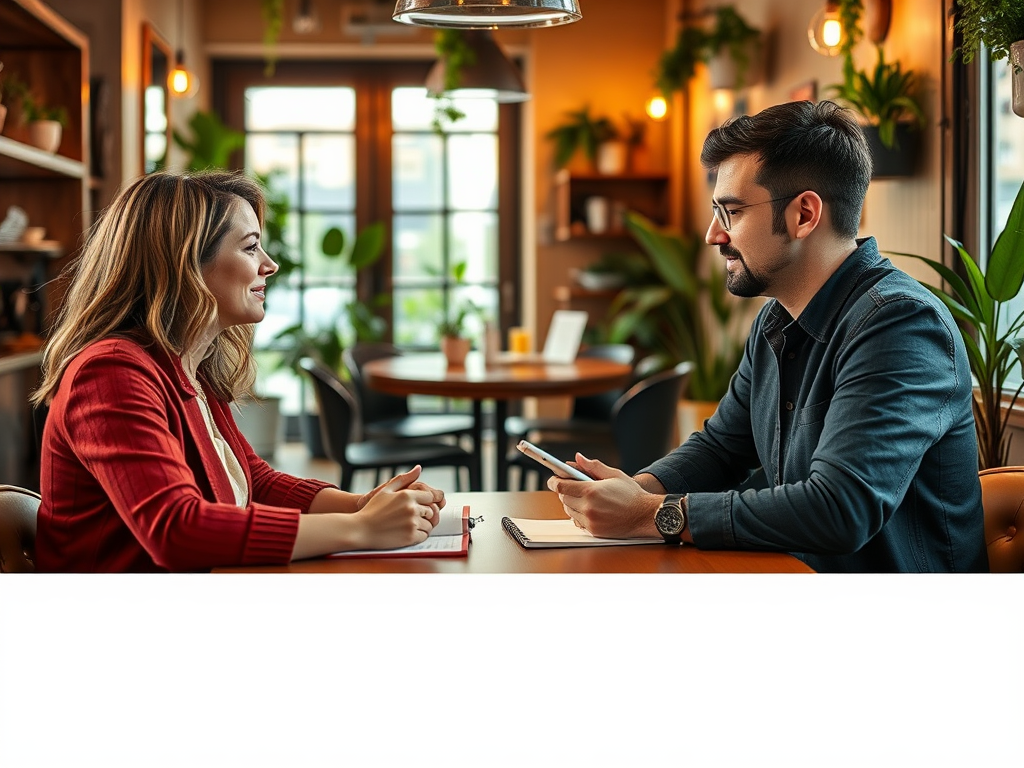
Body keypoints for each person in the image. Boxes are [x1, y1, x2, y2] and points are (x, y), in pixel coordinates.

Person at [549, 100, 987, 573]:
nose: (714, 236)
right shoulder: (777, 319)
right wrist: (640, 490)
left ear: (803, 215)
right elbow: (722, 448)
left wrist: (653, 515)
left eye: (731, 212)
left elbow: (839, 510)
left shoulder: (901, 325)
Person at [32, 170, 448, 572]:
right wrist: (359, 528)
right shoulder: (110, 373)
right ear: (186, 263)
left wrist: (363, 505)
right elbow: (176, 530)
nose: (269, 265)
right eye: (250, 248)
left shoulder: (188, 367)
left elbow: (254, 482)